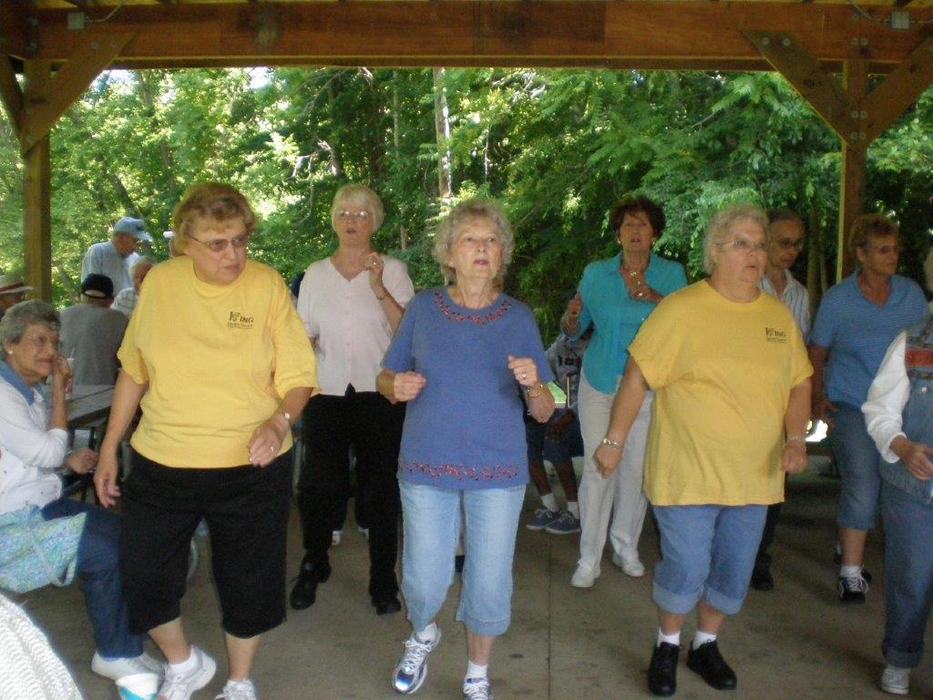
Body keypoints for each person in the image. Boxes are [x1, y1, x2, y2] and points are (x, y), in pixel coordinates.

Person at [94, 183, 317, 700]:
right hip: (162, 459)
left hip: (251, 465)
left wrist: (279, 422)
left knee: (248, 582)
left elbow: (300, 376)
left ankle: (239, 681)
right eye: (217, 244)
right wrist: (109, 448)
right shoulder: (161, 284)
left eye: (240, 241)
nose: (232, 255)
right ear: (185, 244)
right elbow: (134, 370)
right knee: (143, 575)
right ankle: (184, 663)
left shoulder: (266, 286)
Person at [594, 204, 812, 697]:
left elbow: (799, 382)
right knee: (687, 566)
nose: (754, 254)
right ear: (715, 252)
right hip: (686, 472)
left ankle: (706, 644)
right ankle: (668, 644)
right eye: (742, 244)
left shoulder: (777, 317)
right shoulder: (681, 309)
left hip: (754, 477)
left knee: (733, 570)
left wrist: (796, 439)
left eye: (759, 245)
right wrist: (614, 441)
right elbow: (637, 377)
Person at [379, 199, 555, 700]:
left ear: (502, 254)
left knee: (489, 579)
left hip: (497, 470)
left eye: (491, 240)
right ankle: (422, 634)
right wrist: (397, 386)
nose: (482, 248)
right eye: (470, 240)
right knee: (424, 579)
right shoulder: (423, 309)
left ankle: (477, 672)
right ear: (449, 254)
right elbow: (385, 377)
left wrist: (533, 385)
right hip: (426, 464)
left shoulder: (518, 318)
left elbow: (545, 410)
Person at [0, 300, 159, 682]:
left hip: (40, 503)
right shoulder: (4, 395)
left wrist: (68, 458)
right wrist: (60, 394)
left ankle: (128, 647)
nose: (50, 351)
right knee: (105, 551)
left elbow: (33, 454)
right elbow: (46, 451)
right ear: (10, 344)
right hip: (12, 524)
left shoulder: (27, 391)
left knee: (131, 536)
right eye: (39, 341)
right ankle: (114, 653)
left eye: (55, 342)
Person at [293, 184, 414, 616]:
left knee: (380, 490)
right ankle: (315, 561)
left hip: (379, 393)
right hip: (325, 393)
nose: (352, 221)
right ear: (334, 220)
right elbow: (303, 337)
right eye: (344, 213)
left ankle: (383, 580)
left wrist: (378, 287)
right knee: (317, 486)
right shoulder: (314, 274)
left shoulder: (393, 270)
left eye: (362, 214)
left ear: (374, 222)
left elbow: (409, 333)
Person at [561, 194, 687, 587]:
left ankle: (625, 545)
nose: (635, 231)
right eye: (628, 225)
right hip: (600, 380)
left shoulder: (672, 274)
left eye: (642, 225)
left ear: (654, 234)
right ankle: (588, 558)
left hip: (647, 384)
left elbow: (686, 325)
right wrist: (571, 317)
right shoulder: (596, 273)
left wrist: (654, 297)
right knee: (599, 466)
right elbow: (573, 331)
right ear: (618, 233)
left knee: (635, 467)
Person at [809, 213, 927, 603]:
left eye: (895, 249)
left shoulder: (911, 295)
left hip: (903, 409)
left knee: (894, 485)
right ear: (861, 254)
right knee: (862, 485)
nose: (892, 256)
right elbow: (818, 350)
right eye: (882, 250)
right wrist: (817, 395)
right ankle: (850, 573)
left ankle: (850, 541)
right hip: (853, 405)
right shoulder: (838, 300)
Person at [862, 251, 933, 696]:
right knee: (912, 578)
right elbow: (879, 409)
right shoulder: (912, 342)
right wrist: (903, 446)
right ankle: (901, 658)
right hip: (913, 490)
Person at [750, 208, 810, 591]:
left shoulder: (799, 294)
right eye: (783, 242)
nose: (791, 251)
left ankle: (759, 559)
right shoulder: (745, 284)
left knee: (774, 484)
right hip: (743, 398)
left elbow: (800, 358)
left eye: (797, 244)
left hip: (780, 401)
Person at [524, 332, 588, 535]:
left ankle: (575, 512)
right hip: (567, 411)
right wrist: (535, 405)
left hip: (594, 415)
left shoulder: (601, 345)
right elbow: (539, 371)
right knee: (527, 437)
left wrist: (568, 417)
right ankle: (549, 506)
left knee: (554, 440)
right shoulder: (562, 345)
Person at [59, 273, 128, 386]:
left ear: (81, 295)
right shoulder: (119, 319)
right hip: (101, 390)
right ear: (111, 299)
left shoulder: (62, 315)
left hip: (59, 388)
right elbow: (127, 360)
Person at [81, 217, 151, 294]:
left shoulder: (135, 258)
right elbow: (93, 290)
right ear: (121, 238)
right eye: (135, 241)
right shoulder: (98, 251)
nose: (136, 247)